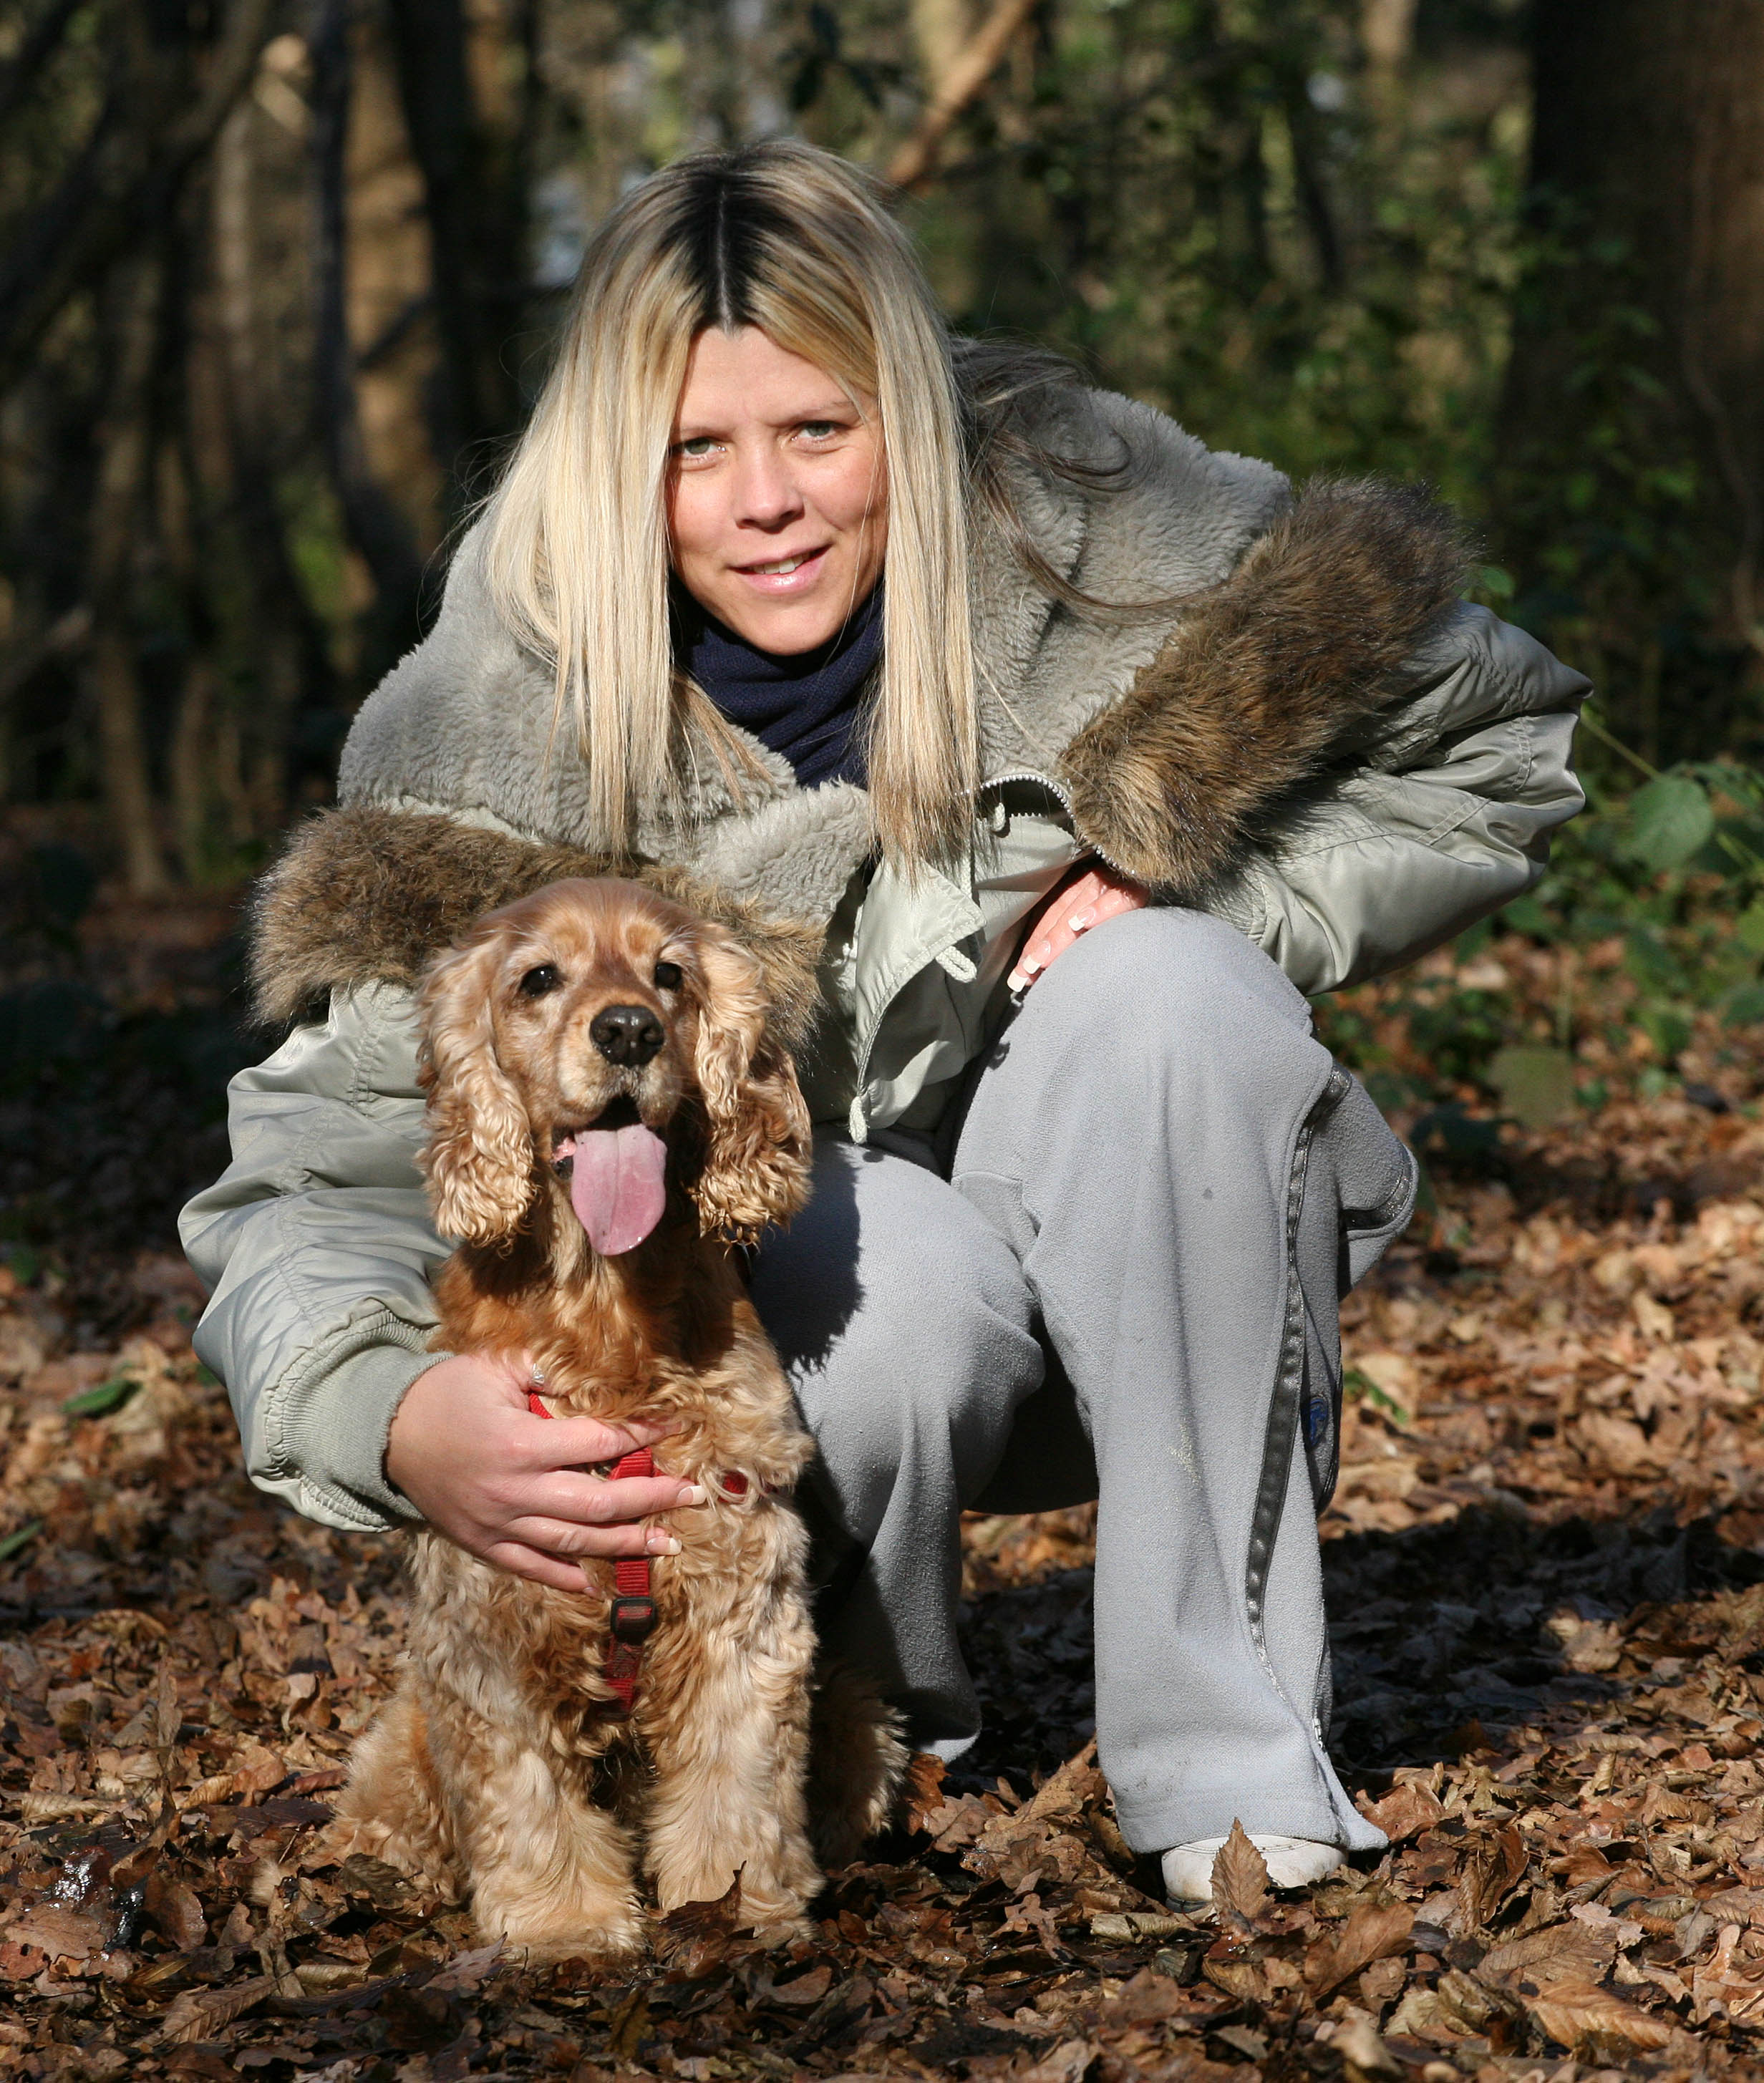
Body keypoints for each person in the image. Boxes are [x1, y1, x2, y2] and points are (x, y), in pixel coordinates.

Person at [181, 140, 1586, 1904]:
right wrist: (385, 1411)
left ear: (905, 413)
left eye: (817, 429)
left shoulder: (1102, 536)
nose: (764, 501)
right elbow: (305, 1177)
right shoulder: (496, 713)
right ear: (615, 464)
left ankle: (1233, 1781)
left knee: (1174, 993)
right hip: (833, 1317)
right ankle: (878, 1725)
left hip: (1153, 1247)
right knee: (886, 1272)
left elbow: (1490, 751)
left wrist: (1200, 896)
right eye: (693, 449)